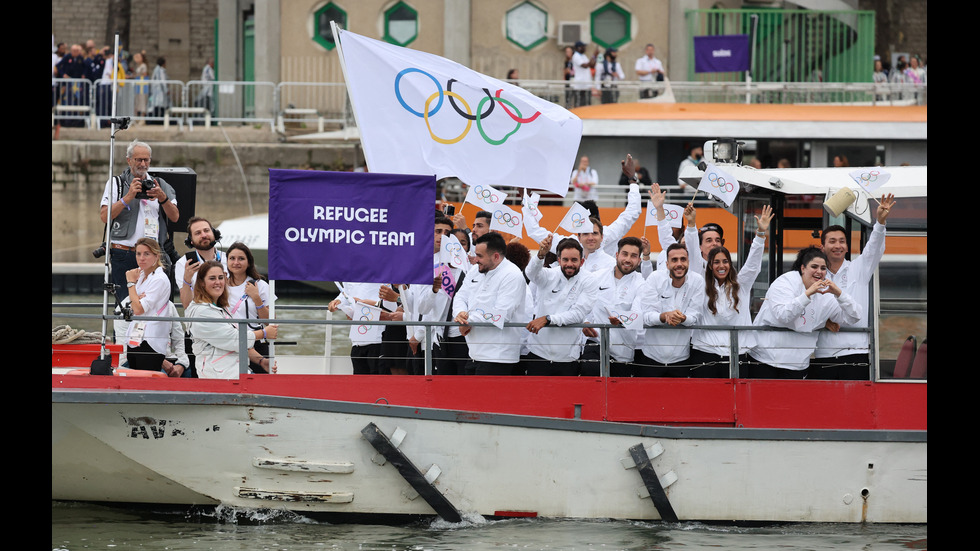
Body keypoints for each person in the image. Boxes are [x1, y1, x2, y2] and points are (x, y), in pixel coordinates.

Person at [810, 194, 897, 380]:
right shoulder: (816, 275)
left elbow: (874, 248)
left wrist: (880, 222)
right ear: (822, 247)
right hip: (824, 354)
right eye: (832, 241)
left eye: (842, 241)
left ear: (847, 247)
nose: (838, 245)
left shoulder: (859, 269)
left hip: (856, 353)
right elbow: (806, 310)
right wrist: (823, 322)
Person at [747, 247, 862, 379]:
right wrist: (807, 294)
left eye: (823, 268)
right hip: (764, 359)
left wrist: (839, 294)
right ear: (803, 268)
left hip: (798, 365)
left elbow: (854, 316)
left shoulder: (826, 294)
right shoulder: (785, 282)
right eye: (814, 266)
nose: (819, 271)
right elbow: (784, 316)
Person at [689, 205, 773, 378]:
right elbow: (693, 255)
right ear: (710, 265)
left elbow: (753, 264)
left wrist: (760, 234)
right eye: (716, 262)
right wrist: (691, 225)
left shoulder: (740, 284)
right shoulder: (699, 282)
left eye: (725, 261)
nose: (721, 266)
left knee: (738, 402)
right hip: (705, 353)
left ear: (730, 263)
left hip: (738, 354)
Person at [100, 139, 180, 304]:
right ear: (129, 160)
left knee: (154, 305)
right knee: (124, 305)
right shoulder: (117, 184)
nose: (143, 164)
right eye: (138, 160)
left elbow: (175, 217)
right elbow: (104, 216)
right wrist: (128, 197)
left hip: (152, 254)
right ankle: (122, 331)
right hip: (124, 253)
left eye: (146, 160)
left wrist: (162, 197)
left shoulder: (160, 185)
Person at [186, 261, 279, 378]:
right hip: (219, 377)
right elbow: (234, 339)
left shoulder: (219, 307)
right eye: (212, 278)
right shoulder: (202, 312)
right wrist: (264, 333)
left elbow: (235, 343)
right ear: (202, 283)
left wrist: (262, 361)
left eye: (221, 278)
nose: (218, 282)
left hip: (234, 372)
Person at [452, 232, 529, 375]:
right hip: (473, 353)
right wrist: (460, 314)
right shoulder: (475, 270)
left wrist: (467, 320)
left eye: (480, 256)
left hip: (499, 357)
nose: (475, 260)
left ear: (496, 256)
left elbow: (501, 314)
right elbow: (460, 296)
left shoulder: (512, 275)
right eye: (476, 255)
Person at [523, 236, 597, 376]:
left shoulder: (589, 280)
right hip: (538, 354)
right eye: (565, 260)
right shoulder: (549, 275)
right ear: (559, 260)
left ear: (582, 261)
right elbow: (530, 273)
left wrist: (548, 319)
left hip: (568, 358)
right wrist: (540, 255)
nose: (569, 264)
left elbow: (578, 314)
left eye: (574, 260)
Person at [634, 243, 706, 376]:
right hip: (651, 357)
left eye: (683, 259)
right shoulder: (655, 278)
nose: (679, 264)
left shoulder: (698, 281)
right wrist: (664, 316)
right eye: (674, 260)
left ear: (688, 262)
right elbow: (646, 316)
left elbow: (696, 316)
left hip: (682, 358)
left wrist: (682, 318)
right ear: (667, 264)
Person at [580, 236, 646, 377]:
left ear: (639, 260)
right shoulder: (596, 277)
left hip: (623, 353)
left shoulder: (641, 284)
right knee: (591, 383)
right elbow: (582, 305)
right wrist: (585, 322)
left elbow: (638, 315)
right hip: (595, 344)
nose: (628, 259)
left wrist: (622, 320)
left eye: (633, 256)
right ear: (617, 255)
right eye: (624, 254)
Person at [122, 238, 174, 372]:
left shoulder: (159, 279)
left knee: (146, 380)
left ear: (156, 256)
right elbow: (133, 304)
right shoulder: (140, 276)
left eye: (146, 254)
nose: (141, 258)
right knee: (133, 379)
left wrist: (130, 284)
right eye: (138, 254)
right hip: (135, 337)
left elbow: (138, 309)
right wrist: (135, 297)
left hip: (151, 340)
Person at [225, 242, 276, 374]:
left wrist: (256, 298)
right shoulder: (220, 286)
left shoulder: (261, 285)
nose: (236, 262)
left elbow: (271, 321)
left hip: (257, 343)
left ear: (249, 262)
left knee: (260, 388)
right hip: (228, 343)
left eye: (241, 258)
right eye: (232, 258)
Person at [176, 216, 227, 310]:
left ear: (214, 234)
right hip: (200, 318)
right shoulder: (184, 263)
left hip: (228, 318)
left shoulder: (228, 259)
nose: (203, 235)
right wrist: (187, 280)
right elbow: (187, 305)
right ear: (190, 241)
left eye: (206, 230)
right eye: (198, 233)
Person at [681, 203, 724, 279]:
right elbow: (691, 243)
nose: (714, 244)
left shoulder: (728, 269)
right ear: (700, 247)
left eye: (717, 240)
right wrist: (691, 222)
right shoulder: (695, 265)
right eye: (709, 240)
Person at [570, 41, 597, 108]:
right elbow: (585, 65)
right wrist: (593, 55)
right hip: (580, 85)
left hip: (586, 85)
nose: (585, 48)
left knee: (587, 105)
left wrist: (595, 57)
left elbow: (592, 65)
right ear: (579, 48)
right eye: (583, 47)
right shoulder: (576, 56)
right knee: (580, 105)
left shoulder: (583, 56)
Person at [149, 57, 170, 122]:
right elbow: (163, 81)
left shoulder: (156, 69)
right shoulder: (160, 70)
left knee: (157, 104)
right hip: (160, 91)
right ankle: (159, 120)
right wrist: (166, 90)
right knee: (160, 105)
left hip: (157, 90)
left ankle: (157, 119)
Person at [130, 52, 149, 118]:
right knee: (137, 101)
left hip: (142, 86)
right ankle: (137, 117)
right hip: (138, 86)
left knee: (142, 101)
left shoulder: (143, 65)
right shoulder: (137, 66)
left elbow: (144, 74)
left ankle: (142, 117)